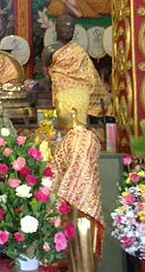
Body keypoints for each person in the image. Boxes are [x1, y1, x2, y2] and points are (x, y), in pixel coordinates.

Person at [50, 88, 103, 272]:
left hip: (80, 209)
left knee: (82, 265)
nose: (56, 112)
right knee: (72, 262)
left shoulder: (83, 138)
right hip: (69, 208)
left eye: (58, 106)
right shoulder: (70, 138)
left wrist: (56, 202)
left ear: (72, 111)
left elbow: (79, 175)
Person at [42, 15, 106, 117]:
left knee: (84, 91)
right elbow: (44, 66)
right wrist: (46, 77)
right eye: (65, 27)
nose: (68, 30)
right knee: (58, 80)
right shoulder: (50, 49)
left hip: (80, 86)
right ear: (57, 29)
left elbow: (88, 73)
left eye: (71, 28)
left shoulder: (78, 51)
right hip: (58, 82)